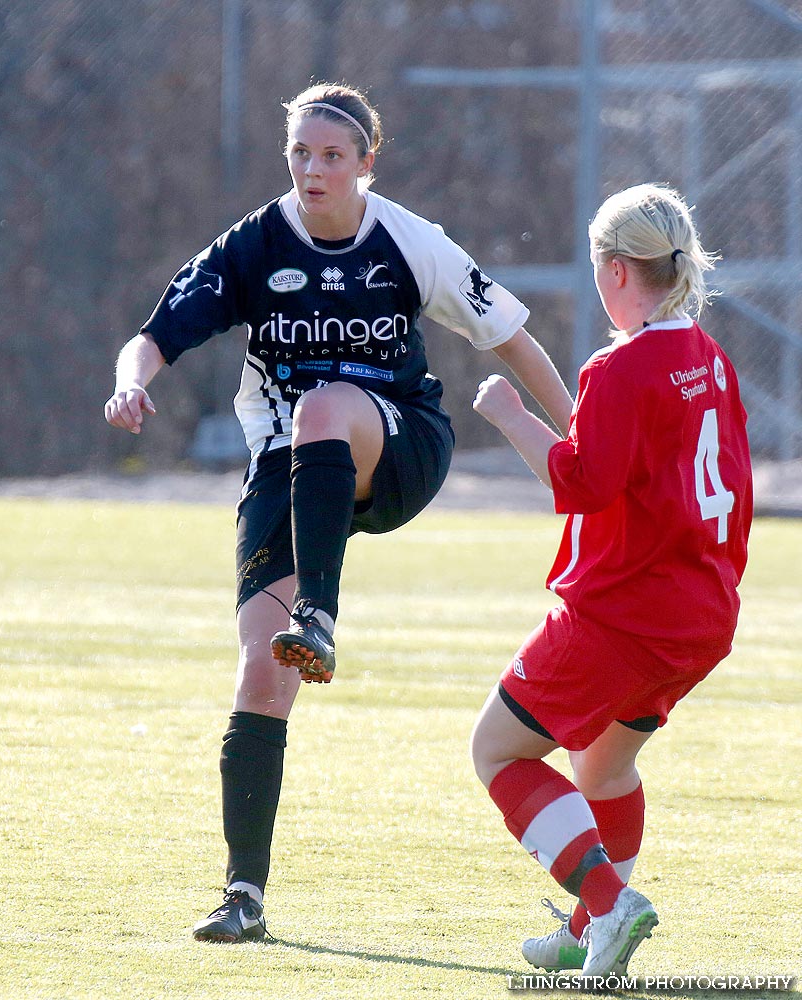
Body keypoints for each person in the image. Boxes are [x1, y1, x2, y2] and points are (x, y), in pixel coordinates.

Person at [105, 82, 573, 943]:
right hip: (290, 471)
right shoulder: (254, 244)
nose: (313, 170)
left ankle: (319, 610)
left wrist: (575, 428)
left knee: (321, 404)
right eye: (300, 154)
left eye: (331, 156)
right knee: (258, 671)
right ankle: (243, 896)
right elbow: (157, 332)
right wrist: (133, 384)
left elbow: (507, 333)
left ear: (366, 164)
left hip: (399, 448)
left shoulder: (407, 240)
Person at [470, 182, 753, 978]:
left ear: (618, 272)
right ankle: (589, 936)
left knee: (498, 752)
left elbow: (585, 486)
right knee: (601, 768)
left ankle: (608, 905)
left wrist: (511, 414)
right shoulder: (710, 357)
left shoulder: (620, 365)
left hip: (622, 617)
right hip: (702, 616)